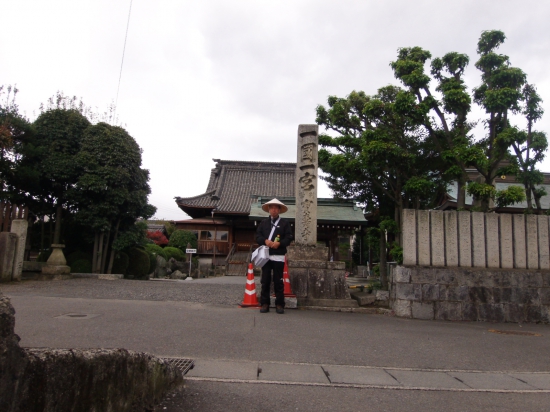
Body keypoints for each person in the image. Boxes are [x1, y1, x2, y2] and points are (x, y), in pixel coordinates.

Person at [255, 198, 293, 314]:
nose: (274, 210)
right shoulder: (263, 223)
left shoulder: (285, 223)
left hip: (279, 256)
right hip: (266, 256)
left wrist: (280, 243)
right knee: (265, 280)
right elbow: (258, 236)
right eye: (272, 208)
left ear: (280, 210)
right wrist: (265, 241)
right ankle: (265, 303)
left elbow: (289, 237)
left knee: (278, 281)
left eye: (276, 208)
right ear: (269, 209)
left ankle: (280, 304)